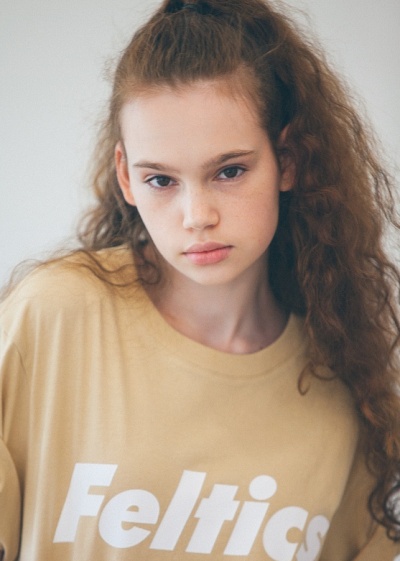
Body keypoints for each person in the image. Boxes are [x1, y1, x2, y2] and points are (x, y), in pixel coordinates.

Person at [1, 0, 400, 559]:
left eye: (229, 171)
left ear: (287, 160)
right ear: (126, 177)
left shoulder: (346, 390)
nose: (197, 215)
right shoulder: (53, 318)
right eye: (161, 180)